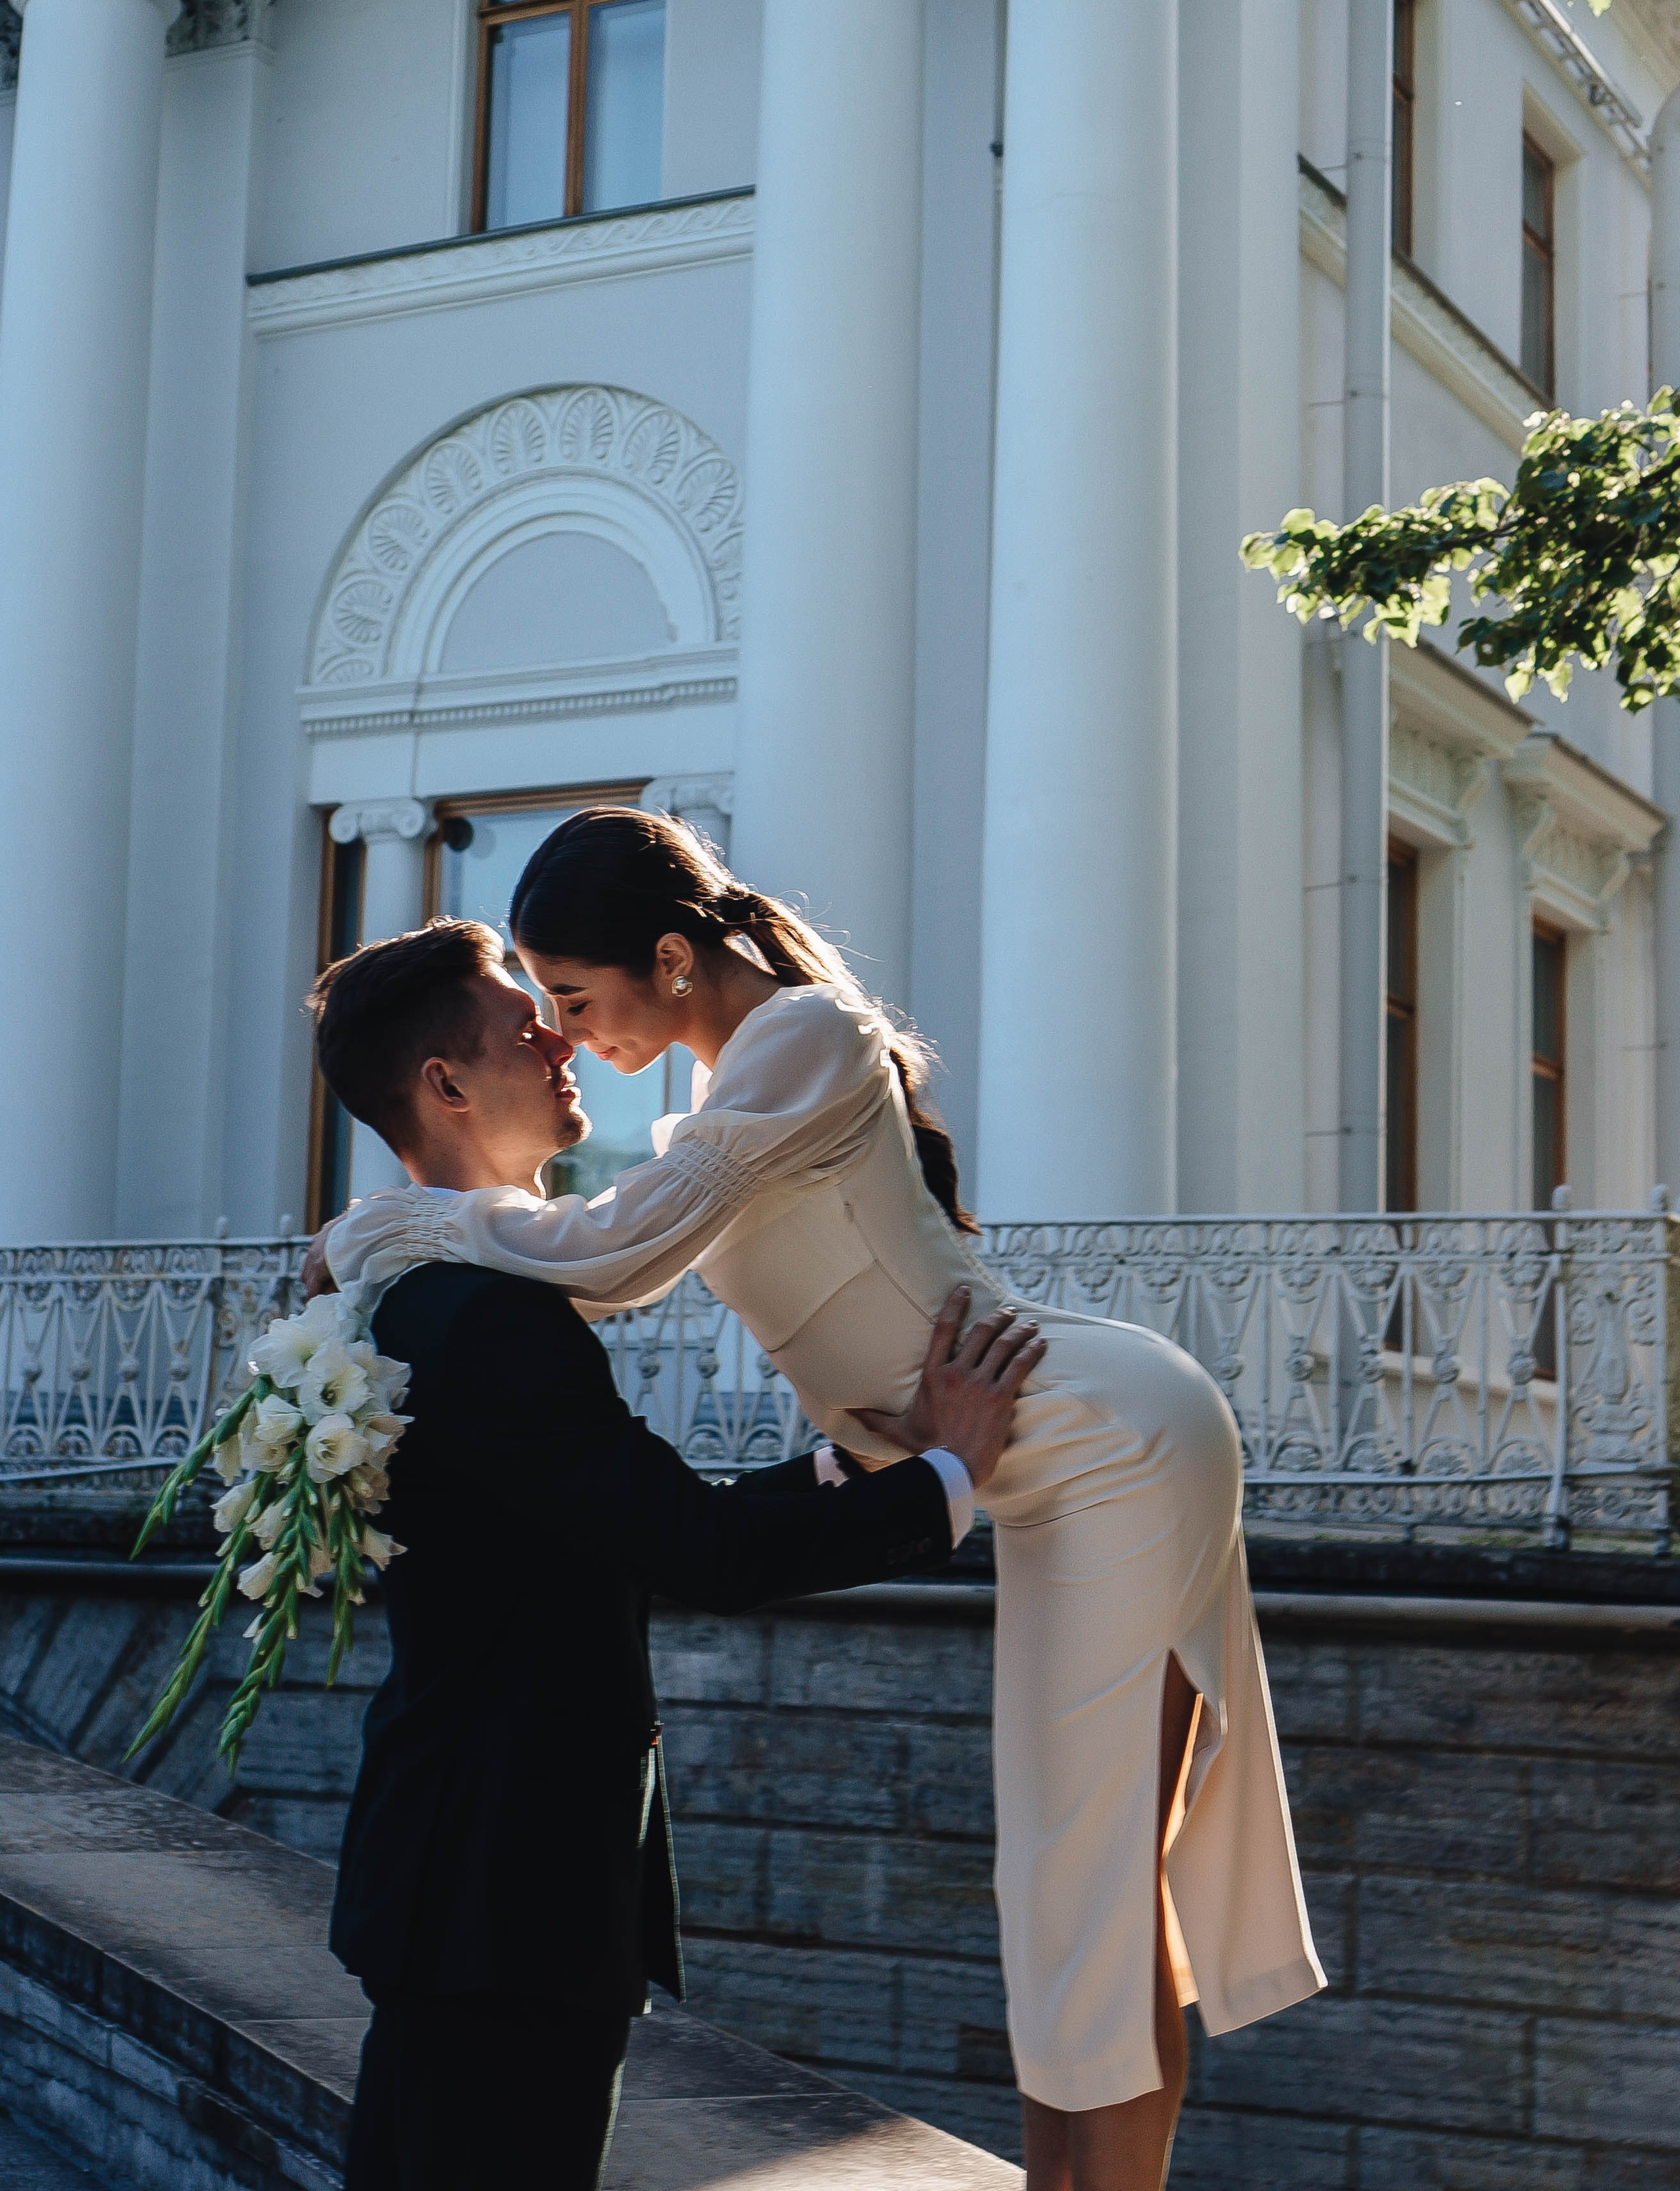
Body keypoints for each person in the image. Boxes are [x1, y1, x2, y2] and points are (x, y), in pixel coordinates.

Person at [320, 809, 1325, 2191]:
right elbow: (635, 1275)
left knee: (1087, 1891)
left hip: (1100, 1437)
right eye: (537, 1011)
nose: (563, 1035)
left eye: (573, 997)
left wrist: (386, 1226)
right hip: (1017, 1455)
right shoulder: (722, 1102)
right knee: (1057, 1890)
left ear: (672, 959)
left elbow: (613, 1256)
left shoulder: (802, 1034)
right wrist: (898, 1460)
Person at [307, 919, 1045, 2191]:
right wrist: (942, 1478)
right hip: (506, 1888)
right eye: (521, 1025)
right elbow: (692, 1546)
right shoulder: (483, 1313)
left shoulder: (423, 1288)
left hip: (477, 1877)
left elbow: (618, 1520)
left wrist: (871, 1462)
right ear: (444, 1084)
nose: (560, 1041)